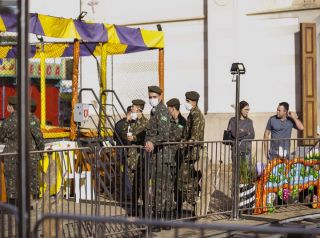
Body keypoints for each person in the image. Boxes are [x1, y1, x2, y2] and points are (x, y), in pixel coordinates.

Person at [0, 96, 45, 203]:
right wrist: (41, 150)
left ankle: (13, 205)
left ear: (11, 106)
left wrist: (8, 139)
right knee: (29, 178)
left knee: (12, 180)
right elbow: (38, 136)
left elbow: (1, 137)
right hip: (29, 153)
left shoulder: (7, 121)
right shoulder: (30, 118)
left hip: (11, 154)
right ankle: (29, 203)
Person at [179, 91, 210, 216]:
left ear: (194, 102)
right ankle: (194, 209)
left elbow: (194, 138)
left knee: (189, 182)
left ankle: (196, 209)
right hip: (189, 153)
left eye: (188, 101)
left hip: (193, 154)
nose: (186, 103)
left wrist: (183, 144)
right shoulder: (192, 114)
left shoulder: (196, 115)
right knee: (187, 181)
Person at [144, 85, 173, 222]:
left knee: (162, 188)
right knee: (157, 187)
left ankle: (162, 218)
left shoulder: (162, 111)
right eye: (150, 97)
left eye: (154, 97)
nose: (152, 99)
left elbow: (164, 134)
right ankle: (162, 219)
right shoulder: (154, 111)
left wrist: (152, 142)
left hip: (162, 155)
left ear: (160, 97)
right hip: (156, 155)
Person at [166, 98, 186, 217]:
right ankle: (170, 206)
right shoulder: (169, 121)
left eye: (168, 108)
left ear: (173, 108)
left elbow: (179, 137)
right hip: (169, 156)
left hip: (178, 156)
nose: (168, 110)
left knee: (177, 182)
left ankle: (178, 207)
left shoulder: (183, 121)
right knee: (169, 182)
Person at [227, 101, 255, 183]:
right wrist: (246, 132)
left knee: (247, 172)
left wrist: (241, 132)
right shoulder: (233, 120)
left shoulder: (249, 121)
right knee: (237, 173)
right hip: (236, 150)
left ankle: (246, 193)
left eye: (248, 109)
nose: (247, 111)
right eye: (245, 109)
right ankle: (236, 193)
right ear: (240, 109)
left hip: (247, 150)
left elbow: (252, 135)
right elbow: (234, 134)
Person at [122, 99, 148, 188]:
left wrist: (135, 138)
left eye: (133, 106)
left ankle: (143, 200)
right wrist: (126, 121)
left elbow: (145, 137)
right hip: (131, 157)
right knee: (132, 183)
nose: (131, 108)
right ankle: (134, 201)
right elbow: (124, 135)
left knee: (141, 182)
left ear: (138, 108)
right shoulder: (132, 122)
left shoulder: (145, 122)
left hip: (140, 156)